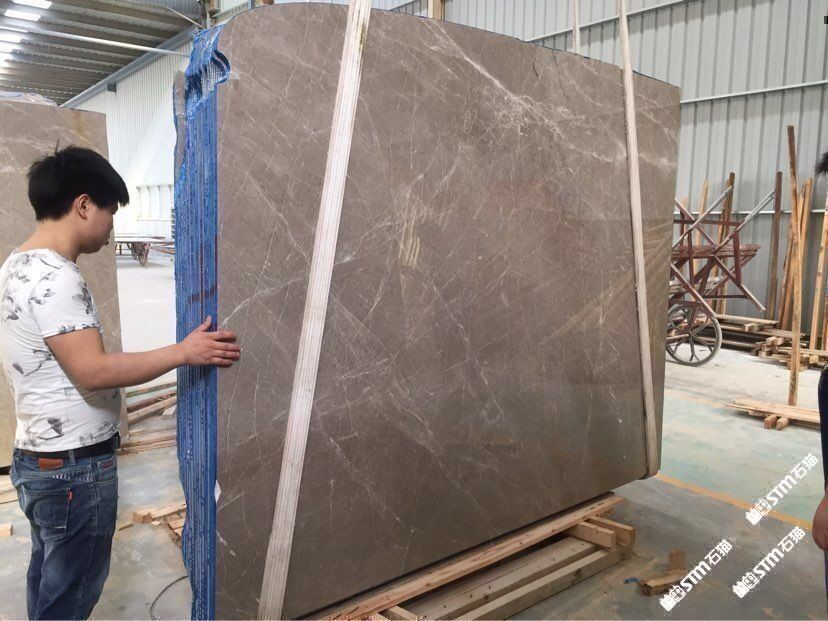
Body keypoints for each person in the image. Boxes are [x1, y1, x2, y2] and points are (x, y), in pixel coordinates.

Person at [0, 146, 240, 620]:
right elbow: (92, 371)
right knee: (68, 599)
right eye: (110, 211)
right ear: (84, 205)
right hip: (73, 470)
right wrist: (184, 352)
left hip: (38, 460)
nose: (112, 226)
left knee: (49, 584)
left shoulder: (15, 265)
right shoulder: (56, 277)